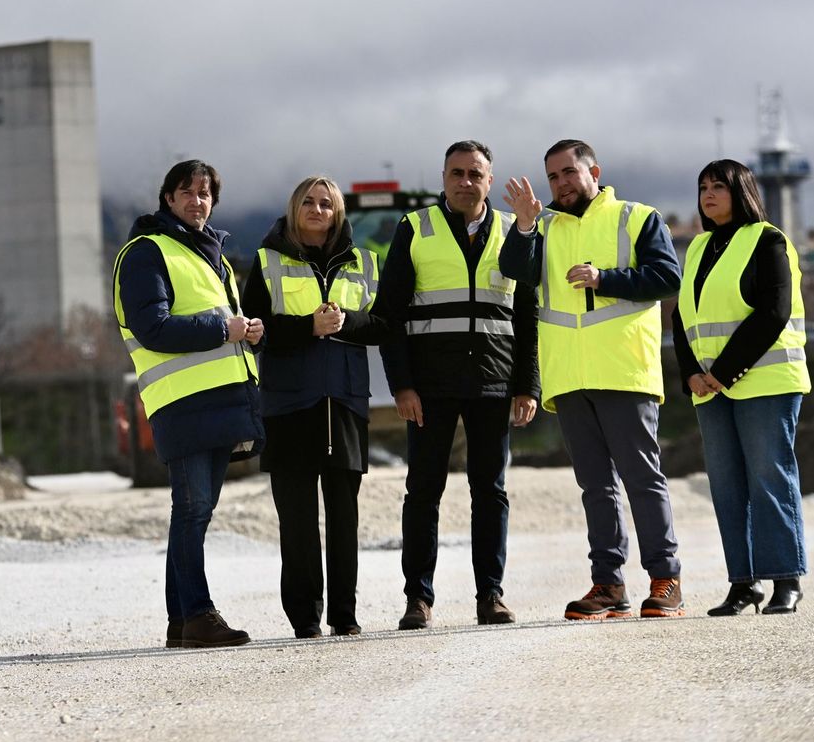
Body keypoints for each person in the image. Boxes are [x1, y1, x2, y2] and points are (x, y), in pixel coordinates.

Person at [500, 139, 686, 619]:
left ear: (594, 171)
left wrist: (605, 279)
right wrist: (522, 225)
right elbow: (512, 271)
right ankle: (608, 585)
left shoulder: (636, 217)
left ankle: (666, 579)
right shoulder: (541, 228)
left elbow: (667, 278)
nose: (561, 184)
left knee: (643, 480)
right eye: (553, 177)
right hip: (570, 378)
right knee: (596, 488)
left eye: (568, 173)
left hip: (624, 370)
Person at [372, 141, 539, 630]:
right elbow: (390, 314)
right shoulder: (415, 228)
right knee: (423, 491)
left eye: (476, 174)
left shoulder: (514, 230)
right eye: (457, 173)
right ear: (443, 178)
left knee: (491, 490)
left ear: (491, 180)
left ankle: (490, 595)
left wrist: (527, 384)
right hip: (431, 385)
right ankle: (417, 600)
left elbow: (526, 312)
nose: (466, 182)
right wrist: (401, 385)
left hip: (493, 380)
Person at [113, 159, 265, 648]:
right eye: (188, 192)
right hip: (183, 402)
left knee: (195, 511)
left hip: (219, 400)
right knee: (193, 509)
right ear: (168, 198)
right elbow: (151, 327)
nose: (198, 201)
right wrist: (227, 328)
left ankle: (181, 621)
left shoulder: (209, 255)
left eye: (205, 193)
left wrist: (247, 332)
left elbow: (224, 322)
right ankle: (198, 613)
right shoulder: (146, 253)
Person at [242, 176, 386, 638]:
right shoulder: (266, 261)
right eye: (309, 201)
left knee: (344, 518)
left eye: (327, 203)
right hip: (287, 405)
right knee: (298, 522)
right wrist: (309, 328)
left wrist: (348, 321)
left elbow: (384, 324)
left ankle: (344, 615)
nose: (318, 209)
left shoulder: (365, 261)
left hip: (344, 402)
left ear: (338, 212)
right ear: (294, 207)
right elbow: (255, 331)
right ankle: (305, 619)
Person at [671, 160, 809, 615]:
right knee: (728, 488)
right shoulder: (698, 248)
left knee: (769, 478)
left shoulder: (769, 240)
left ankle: (786, 579)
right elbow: (681, 316)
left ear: (742, 191)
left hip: (764, 380)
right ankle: (743, 583)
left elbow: (774, 311)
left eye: (719, 187)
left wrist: (721, 372)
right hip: (710, 389)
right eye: (702, 187)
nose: (708, 195)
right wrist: (690, 372)